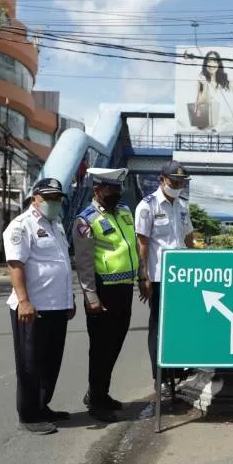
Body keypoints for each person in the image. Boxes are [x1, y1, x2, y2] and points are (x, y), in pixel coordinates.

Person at [4, 177, 75, 435]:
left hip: (57, 306)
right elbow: (15, 265)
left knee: (50, 361)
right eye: (49, 197)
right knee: (30, 363)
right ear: (35, 198)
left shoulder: (56, 225)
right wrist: (23, 301)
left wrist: (69, 300)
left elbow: (62, 265)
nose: (54, 202)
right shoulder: (21, 226)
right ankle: (28, 415)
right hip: (32, 308)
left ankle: (42, 405)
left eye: (58, 198)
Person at [72, 167, 140, 423]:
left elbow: (132, 246)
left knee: (115, 345)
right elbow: (84, 263)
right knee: (100, 350)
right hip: (103, 292)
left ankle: (100, 393)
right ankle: (97, 403)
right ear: (98, 190)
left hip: (125, 288)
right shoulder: (85, 220)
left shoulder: (124, 212)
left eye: (118, 189)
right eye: (111, 189)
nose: (116, 193)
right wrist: (91, 297)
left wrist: (141, 276)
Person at [135, 160, 196, 398]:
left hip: (183, 278)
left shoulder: (182, 206)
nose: (178, 185)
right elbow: (142, 243)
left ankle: (178, 371)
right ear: (162, 180)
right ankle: (159, 377)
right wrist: (144, 276)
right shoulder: (147, 206)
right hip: (160, 277)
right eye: (174, 182)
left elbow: (188, 239)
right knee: (159, 327)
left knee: (180, 325)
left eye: (182, 182)